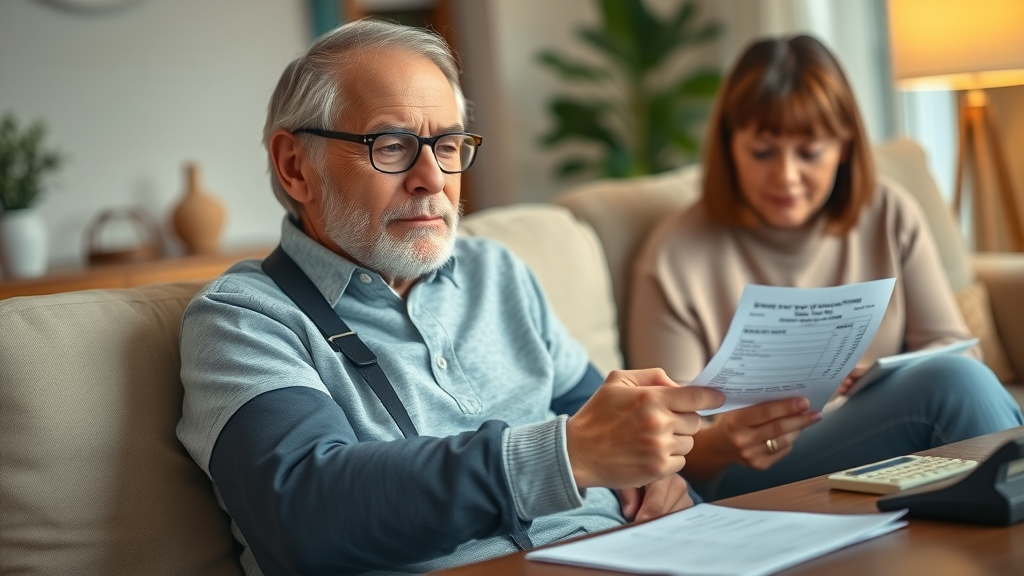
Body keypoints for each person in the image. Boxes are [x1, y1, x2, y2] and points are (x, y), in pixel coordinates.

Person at [176, 19, 724, 576]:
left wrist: (655, 470)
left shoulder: (498, 272)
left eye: (448, 145)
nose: (432, 178)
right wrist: (565, 456)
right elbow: (301, 514)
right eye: (391, 146)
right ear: (296, 167)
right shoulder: (245, 318)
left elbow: (595, 420)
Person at [628, 35, 1023, 501]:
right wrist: (727, 439)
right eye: (763, 152)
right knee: (954, 385)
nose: (787, 176)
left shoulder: (888, 212)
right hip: (745, 466)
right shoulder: (675, 252)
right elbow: (665, 436)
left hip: (879, 428)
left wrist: (882, 374)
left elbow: (957, 349)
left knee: (956, 378)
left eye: (810, 152)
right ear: (730, 147)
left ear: (844, 147)